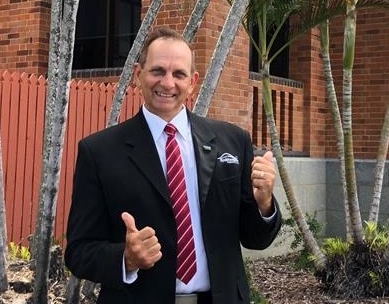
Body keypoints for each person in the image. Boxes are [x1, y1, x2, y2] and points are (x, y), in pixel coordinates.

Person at [64, 26, 282, 304]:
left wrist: (263, 204)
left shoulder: (233, 141)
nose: (167, 83)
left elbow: (255, 239)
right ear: (138, 75)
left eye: (178, 74)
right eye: (157, 71)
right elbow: (79, 252)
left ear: (192, 82)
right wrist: (125, 258)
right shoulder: (99, 152)